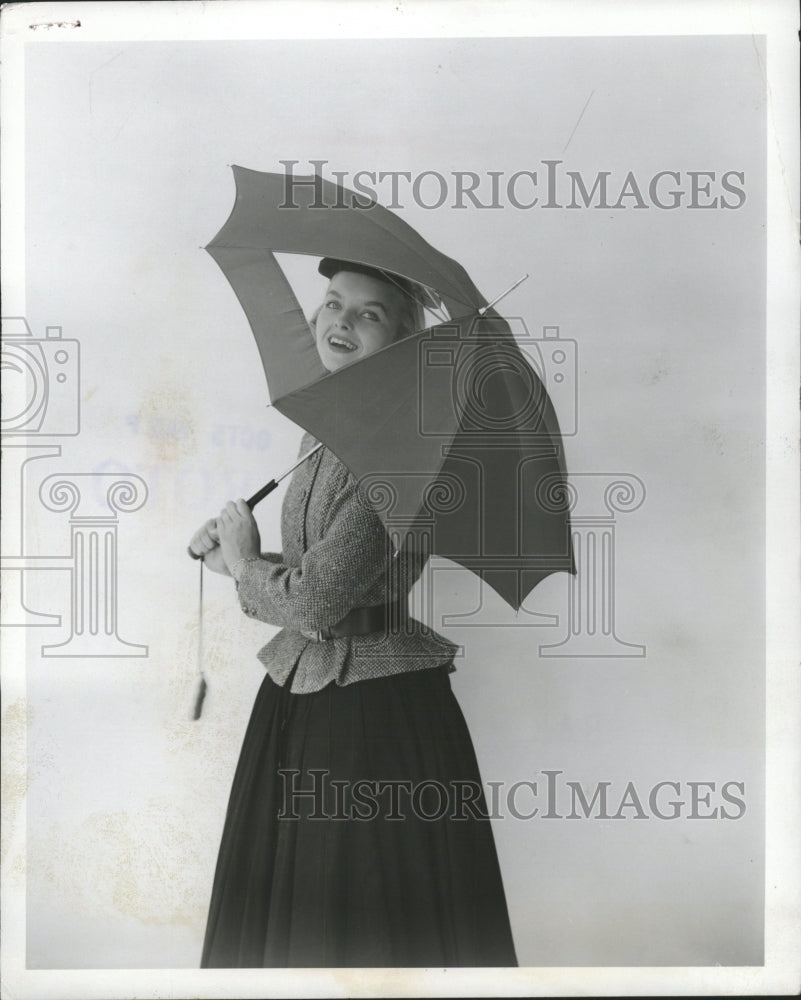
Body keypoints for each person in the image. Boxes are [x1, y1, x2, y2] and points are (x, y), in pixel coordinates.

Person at [190, 258, 518, 968]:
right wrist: (239, 560)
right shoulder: (328, 434)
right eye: (333, 303)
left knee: (357, 919)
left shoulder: (399, 453)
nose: (339, 321)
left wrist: (247, 562)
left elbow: (314, 601)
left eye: (368, 315)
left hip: (372, 719)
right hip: (303, 697)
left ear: (402, 344)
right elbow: (332, 570)